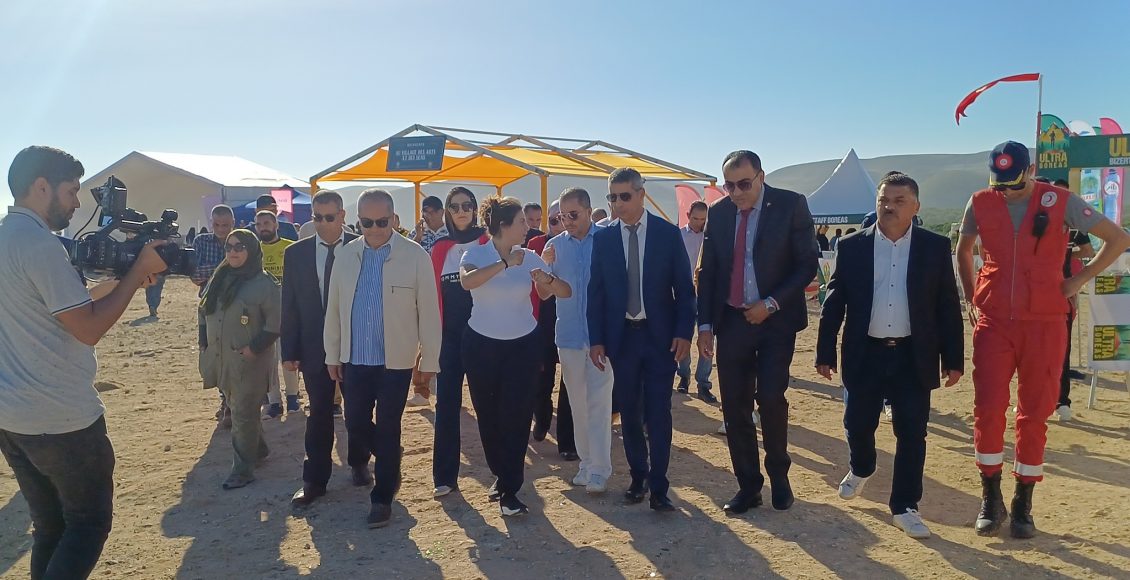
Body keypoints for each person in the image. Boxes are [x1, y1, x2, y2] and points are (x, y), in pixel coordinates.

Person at [0, 146, 166, 579]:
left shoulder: (7, 237)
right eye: (72, 191)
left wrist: (123, 283)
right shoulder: (40, 245)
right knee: (87, 525)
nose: (77, 202)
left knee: (51, 527)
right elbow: (87, 328)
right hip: (60, 418)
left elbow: (60, 309)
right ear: (42, 187)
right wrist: (137, 274)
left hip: (13, 416)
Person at [956, 141, 1130, 539]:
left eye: (1015, 183)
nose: (1007, 192)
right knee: (988, 408)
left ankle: (1023, 502)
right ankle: (990, 497)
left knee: (1034, 412)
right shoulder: (979, 202)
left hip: (1045, 321)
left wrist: (1077, 281)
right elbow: (963, 251)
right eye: (1001, 184)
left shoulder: (1061, 201)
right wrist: (970, 296)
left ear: (1031, 170)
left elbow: (1118, 238)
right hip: (995, 321)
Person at [816, 172, 965, 539]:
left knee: (912, 433)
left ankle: (905, 505)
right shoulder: (852, 247)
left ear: (915, 207)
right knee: (857, 424)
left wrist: (954, 358)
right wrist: (824, 351)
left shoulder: (934, 247)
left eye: (899, 201)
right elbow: (834, 302)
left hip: (913, 355)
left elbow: (947, 305)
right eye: (884, 200)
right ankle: (862, 467)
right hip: (865, 352)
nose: (889, 207)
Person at [697, 150, 819, 513]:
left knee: (770, 398)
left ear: (761, 177)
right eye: (729, 185)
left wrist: (771, 303)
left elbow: (806, 265)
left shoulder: (790, 205)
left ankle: (779, 475)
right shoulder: (718, 213)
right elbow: (708, 272)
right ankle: (748, 486)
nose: (736, 192)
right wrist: (705, 326)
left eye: (744, 184)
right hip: (732, 321)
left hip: (775, 320)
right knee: (734, 406)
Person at [322, 189, 442, 528]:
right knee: (355, 422)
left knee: (389, 427)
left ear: (394, 219)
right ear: (357, 220)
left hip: (396, 362)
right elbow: (334, 310)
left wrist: (430, 360)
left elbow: (429, 312)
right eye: (367, 222)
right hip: (355, 359)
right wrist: (332, 354)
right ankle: (382, 457)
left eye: (381, 222)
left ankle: (383, 497)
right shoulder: (346, 255)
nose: (374, 229)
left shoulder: (415, 256)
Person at [588, 168, 695, 512]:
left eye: (624, 196)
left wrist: (684, 332)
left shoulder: (667, 234)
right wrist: (596, 339)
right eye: (612, 197)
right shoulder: (603, 239)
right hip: (622, 340)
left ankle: (660, 486)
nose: (618, 203)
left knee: (659, 412)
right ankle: (638, 477)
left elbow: (685, 289)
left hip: (660, 339)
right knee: (629, 412)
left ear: (641, 194)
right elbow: (596, 293)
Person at [460, 196, 571, 516]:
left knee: (518, 416)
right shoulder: (475, 253)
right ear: (502, 225)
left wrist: (547, 280)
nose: (527, 227)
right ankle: (502, 475)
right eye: (521, 221)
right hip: (481, 345)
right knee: (489, 417)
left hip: (523, 346)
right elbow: (467, 281)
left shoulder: (531, 256)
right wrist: (506, 263)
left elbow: (562, 292)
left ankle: (510, 489)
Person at [282, 190, 364, 508]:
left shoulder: (362, 247)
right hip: (314, 347)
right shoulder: (296, 253)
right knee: (318, 413)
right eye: (317, 217)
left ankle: (359, 463)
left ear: (342, 216)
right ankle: (314, 480)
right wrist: (289, 350)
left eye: (330, 217)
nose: (323, 223)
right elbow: (289, 304)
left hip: (356, 343)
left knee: (357, 409)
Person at [545, 187, 616, 493]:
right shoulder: (554, 246)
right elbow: (543, 294)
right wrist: (544, 270)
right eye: (562, 216)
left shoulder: (608, 240)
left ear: (589, 211)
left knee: (599, 403)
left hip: (602, 336)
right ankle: (586, 463)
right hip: (570, 335)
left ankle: (600, 469)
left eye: (573, 215)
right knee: (577, 403)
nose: (567, 221)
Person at [199, 229, 280, 490]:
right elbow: (203, 310)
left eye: (239, 247)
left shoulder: (264, 284)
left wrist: (253, 349)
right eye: (229, 247)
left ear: (252, 251)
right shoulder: (220, 277)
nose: (232, 252)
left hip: (249, 362)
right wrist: (203, 341)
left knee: (243, 412)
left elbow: (276, 323)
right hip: (221, 358)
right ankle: (259, 449)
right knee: (238, 408)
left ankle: (242, 471)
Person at [429, 186, 489, 498]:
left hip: (484, 337)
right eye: (455, 206)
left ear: (475, 209)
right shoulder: (440, 248)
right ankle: (444, 476)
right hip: (449, 340)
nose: (462, 211)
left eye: (467, 205)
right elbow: (431, 297)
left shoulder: (487, 242)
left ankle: (502, 473)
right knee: (447, 406)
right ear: (448, 212)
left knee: (489, 406)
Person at [526, 200, 576, 460]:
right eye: (554, 219)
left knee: (569, 382)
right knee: (542, 377)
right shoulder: (536, 244)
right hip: (542, 321)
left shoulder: (577, 244)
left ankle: (567, 442)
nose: (560, 223)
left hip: (569, 319)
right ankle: (542, 418)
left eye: (564, 218)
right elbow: (530, 283)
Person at [1050, 178, 1095, 421]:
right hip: (1059, 291)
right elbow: (1088, 251)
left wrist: (1066, 255)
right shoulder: (1071, 221)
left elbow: (1089, 251)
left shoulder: (1072, 223)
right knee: (1051, 349)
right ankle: (1054, 401)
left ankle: (1060, 401)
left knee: (1060, 349)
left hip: (1061, 292)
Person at [255, 210, 300, 417]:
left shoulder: (290, 248)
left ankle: (292, 397)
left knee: (288, 355)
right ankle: (274, 401)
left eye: (266, 223)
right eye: (259, 224)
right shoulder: (254, 251)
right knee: (268, 360)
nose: (262, 227)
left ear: (276, 225)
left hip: (288, 312)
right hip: (263, 314)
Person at [677, 200, 716, 402]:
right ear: (687, 215)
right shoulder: (678, 236)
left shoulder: (711, 237)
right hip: (684, 296)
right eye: (695, 218)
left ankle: (703, 383)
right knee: (683, 337)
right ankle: (683, 376)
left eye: (703, 219)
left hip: (707, 296)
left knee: (707, 339)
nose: (699, 223)